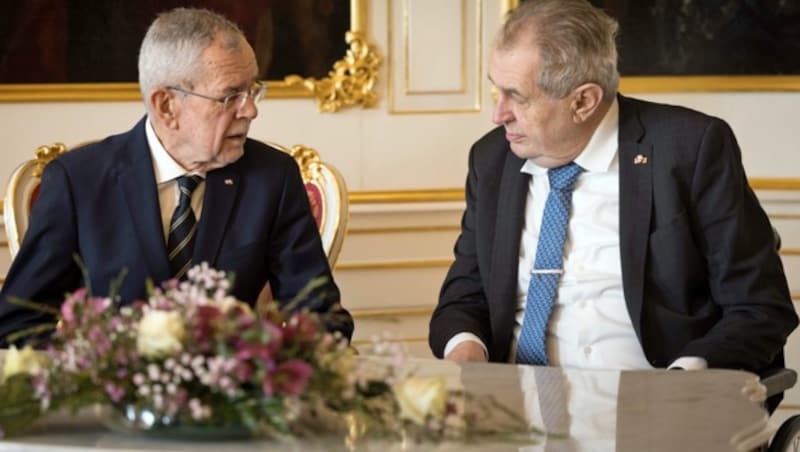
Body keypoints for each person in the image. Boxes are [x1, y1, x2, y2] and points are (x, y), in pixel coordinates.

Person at [429, 0, 796, 407]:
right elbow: (465, 296)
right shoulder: (492, 160)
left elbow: (759, 308)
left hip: (657, 410)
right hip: (515, 415)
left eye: (517, 97)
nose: (499, 114)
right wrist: (467, 355)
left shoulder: (689, 149)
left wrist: (684, 382)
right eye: (496, 90)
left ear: (583, 101)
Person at [0, 7, 352, 345]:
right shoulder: (79, 182)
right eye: (231, 96)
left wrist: (268, 368)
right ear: (166, 105)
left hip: (233, 398)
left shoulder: (272, 178)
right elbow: (18, 323)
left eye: (253, 90)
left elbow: (322, 317)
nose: (251, 110)